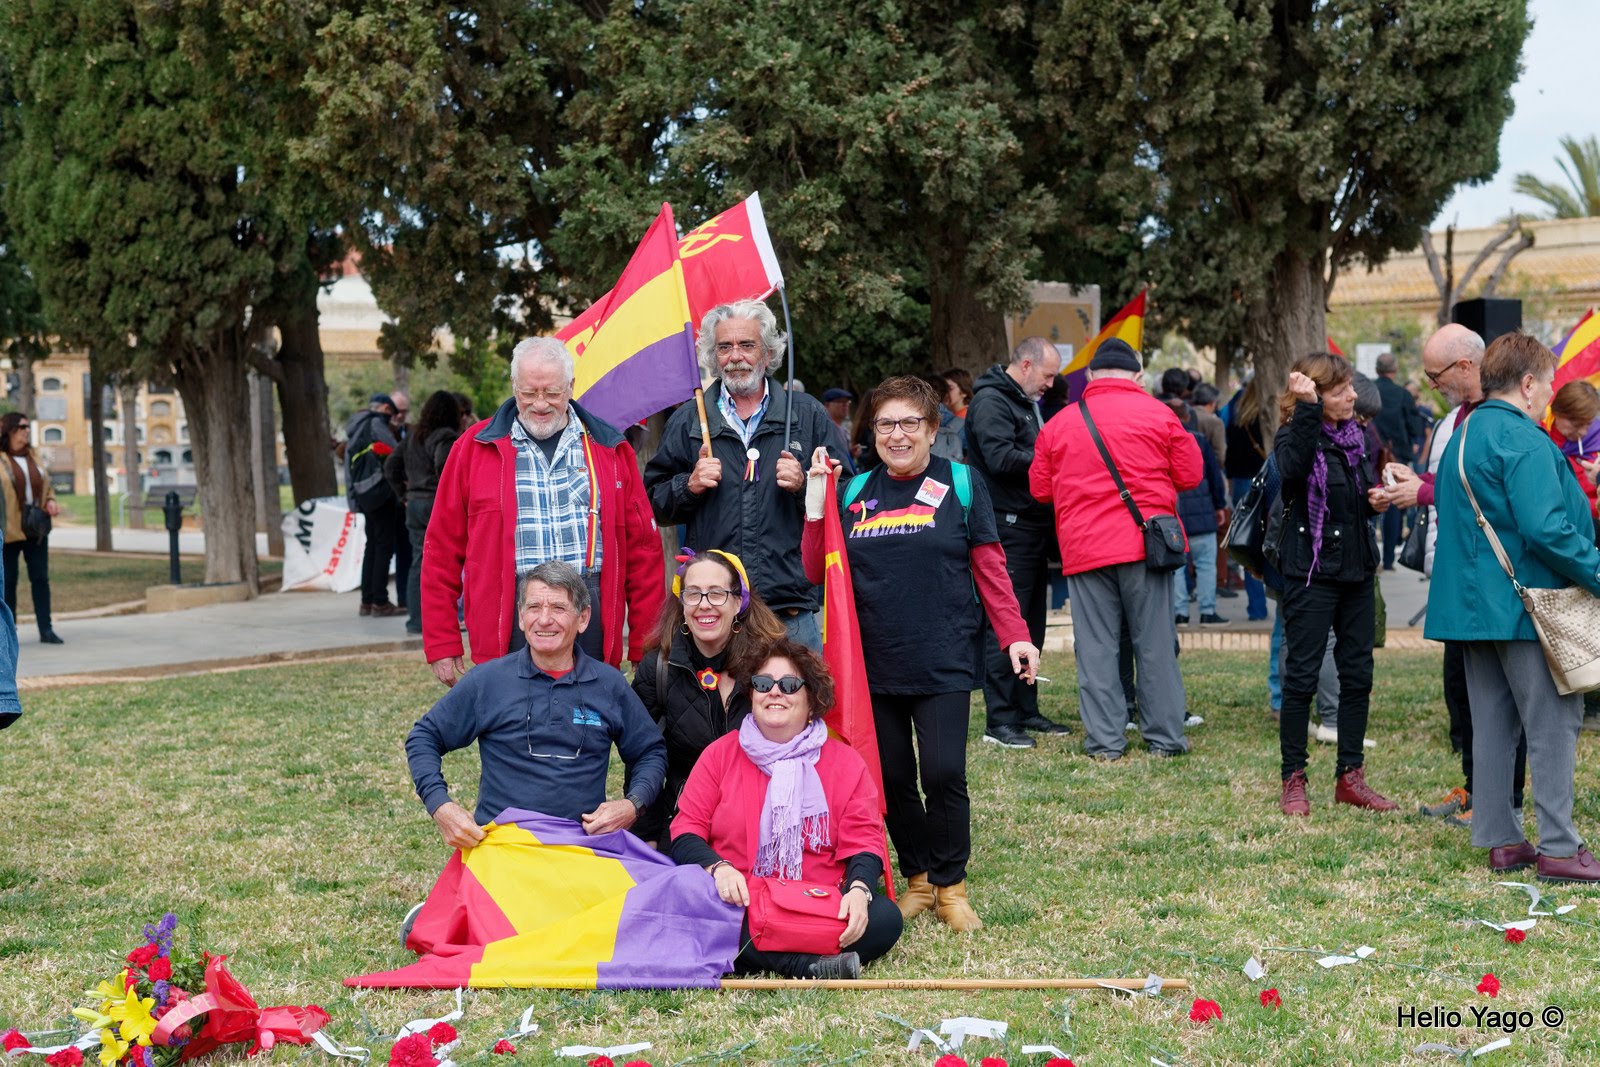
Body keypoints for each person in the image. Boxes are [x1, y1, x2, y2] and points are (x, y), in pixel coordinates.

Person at [802, 375, 1038, 931]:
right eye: (886, 424)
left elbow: (990, 567)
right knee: (891, 777)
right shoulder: (855, 491)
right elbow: (816, 569)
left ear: (933, 429)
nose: (898, 434)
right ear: (872, 433)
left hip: (944, 655)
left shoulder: (961, 482)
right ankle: (918, 880)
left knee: (942, 771)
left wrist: (1015, 634)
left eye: (911, 423)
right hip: (873, 664)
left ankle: (951, 886)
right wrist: (816, 497)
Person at [1426, 332, 1600, 882]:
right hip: (1526, 603)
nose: (1550, 395)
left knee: (1494, 723)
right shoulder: (1521, 438)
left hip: (1475, 606)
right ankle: (1558, 847)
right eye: (1547, 384)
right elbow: (1546, 528)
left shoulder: (1463, 432)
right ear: (1527, 384)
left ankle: (1502, 839)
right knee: (1552, 724)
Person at [422, 337, 664, 685]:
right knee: (509, 728)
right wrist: (442, 642)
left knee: (590, 726)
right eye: (528, 393)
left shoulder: (610, 447)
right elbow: (440, 550)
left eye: (551, 393)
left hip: (589, 610)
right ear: (514, 387)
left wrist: (645, 644)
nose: (539, 404)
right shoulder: (472, 449)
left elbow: (644, 552)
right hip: (510, 614)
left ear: (571, 387)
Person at [670, 638, 902, 979]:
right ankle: (805, 965)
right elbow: (685, 829)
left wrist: (859, 889)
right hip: (740, 900)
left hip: (816, 901)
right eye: (764, 684)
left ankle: (754, 954)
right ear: (752, 694)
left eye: (790, 685)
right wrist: (718, 868)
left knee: (885, 919)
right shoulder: (719, 754)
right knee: (685, 904)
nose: (774, 692)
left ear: (812, 699)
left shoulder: (846, 763)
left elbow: (866, 840)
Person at [407, 560, 667, 848]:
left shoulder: (609, 684)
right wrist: (441, 806)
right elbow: (424, 737)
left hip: (583, 849)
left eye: (558, 608)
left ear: (583, 618)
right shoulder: (489, 680)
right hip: (502, 849)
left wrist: (632, 805)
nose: (544, 619)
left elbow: (650, 752)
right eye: (534, 607)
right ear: (520, 617)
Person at [1031, 339, 1202, 761]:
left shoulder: (1059, 423)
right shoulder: (1161, 415)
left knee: (1095, 648)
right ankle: (1165, 738)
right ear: (1139, 376)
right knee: (1156, 645)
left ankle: (1105, 743)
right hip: (1147, 547)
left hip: (1084, 549)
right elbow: (1191, 474)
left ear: (1090, 376)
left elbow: (1038, 488)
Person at [1383, 325, 1525, 828]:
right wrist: (1413, 481)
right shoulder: (1455, 418)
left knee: (1502, 697)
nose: (1429, 385)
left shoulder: (1505, 414)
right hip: (1458, 573)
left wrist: (1420, 494)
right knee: (1462, 692)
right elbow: (1452, 480)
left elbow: (1489, 489)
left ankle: (1504, 800)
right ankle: (1475, 790)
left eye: (1434, 374)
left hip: (1494, 575)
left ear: (1467, 366)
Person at [643, 300, 848, 647]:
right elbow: (653, 504)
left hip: (790, 613)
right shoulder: (691, 420)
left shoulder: (807, 415)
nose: (735, 356)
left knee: (793, 702)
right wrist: (688, 485)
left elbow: (847, 501)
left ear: (767, 353)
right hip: (714, 614)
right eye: (724, 347)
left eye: (747, 345)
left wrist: (804, 487)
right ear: (713, 355)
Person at [1268, 353, 1395, 816]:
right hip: (1310, 573)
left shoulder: (1356, 437)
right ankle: (1293, 778)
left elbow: (1352, 499)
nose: (1352, 396)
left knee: (1357, 675)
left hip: (1357, 571)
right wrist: (1305, 411)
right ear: (1315, 394)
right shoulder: (1293, 436)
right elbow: (1295, 471)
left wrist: (1374, 502)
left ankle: (1350, 777)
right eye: (1341, 390)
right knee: (1301, 678)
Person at [630, 548, 786, 849]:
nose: (704, 605)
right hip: (685, 821)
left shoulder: (774, 666)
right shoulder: (658, 669)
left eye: (717, 594)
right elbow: (643, 756)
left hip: (763, 823)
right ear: (682, 602)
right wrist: (646, 837)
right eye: (693, 594)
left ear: (739, 601)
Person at [965, 337, 1069, 749]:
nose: (1051, 384)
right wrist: (1052, 459)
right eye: (1047, 375)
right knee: (1006, 625)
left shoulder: (1024, 402)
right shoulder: (992, 402)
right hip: (1008, 528)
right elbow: (999, 458)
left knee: (1031, 623)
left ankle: (1026, 709)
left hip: (1030, 527)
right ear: (1026, 365)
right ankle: (1001, 721)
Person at [385, 390, 461, 636]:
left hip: (415, 504)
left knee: (419, 563)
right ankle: (435, 621)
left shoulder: (413, 436)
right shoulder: (445, 436)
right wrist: (446, 495)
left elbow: (391, 466)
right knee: (442, 565)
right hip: (433, 505)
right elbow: (444, 466)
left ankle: (416, 620)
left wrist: (404, 495)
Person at [0, 412, 63, 644]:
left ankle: (46, 629)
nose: (27, 431)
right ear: (9, 430)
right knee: (8, 583)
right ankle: (9, 632)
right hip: (9, 530)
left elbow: (47, 486)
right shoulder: (1, 459)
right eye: (22, 427)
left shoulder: (33, 457)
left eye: (28, 427)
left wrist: (51, 499)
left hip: (35, 528)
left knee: (40, 578)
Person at [345, 393, 405, 618]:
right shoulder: (376, 423)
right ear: (383, 409)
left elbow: (347, 467)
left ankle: (367, 600)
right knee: (384, 547)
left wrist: (353, 499)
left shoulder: (356, 426)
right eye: (391, 412)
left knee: (372, 546)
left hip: (363, 494)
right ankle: (380, 602)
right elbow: (397, 452)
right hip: (381, 494)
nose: (393, 418)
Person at [1373, 353, 1426, 571]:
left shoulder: (1369, 389)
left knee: (1371, 501)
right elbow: (1414, 424)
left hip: (1372, 453)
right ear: (1394, 370)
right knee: (1394, 506)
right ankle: (1387, 560)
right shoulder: (1402, 394)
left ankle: (1372, 558)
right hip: (1397, 456)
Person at [1223, 378, 1270, 621]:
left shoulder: (1238, 416)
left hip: (1242, 482)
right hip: (1269, 480)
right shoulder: (1270, 417)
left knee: (1248, 542)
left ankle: (1257, 608)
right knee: (1274, 538)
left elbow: (1230, 454)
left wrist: (1229, 479)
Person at [1547, 381, 1600, 527]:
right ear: (1557, 412)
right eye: (1576, 425)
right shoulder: (1541, 438)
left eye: (1588, 424)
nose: (1583, 432)